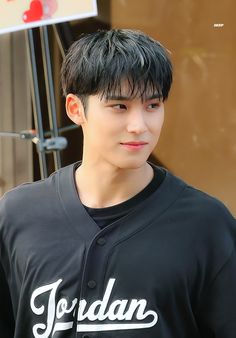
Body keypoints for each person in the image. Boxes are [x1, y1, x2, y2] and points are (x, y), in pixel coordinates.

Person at [0, 29, 236, 338]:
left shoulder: (207, 225)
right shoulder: (17, 215)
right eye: (119, 107)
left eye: (153, 105)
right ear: (75, 109)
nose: (139, 126)